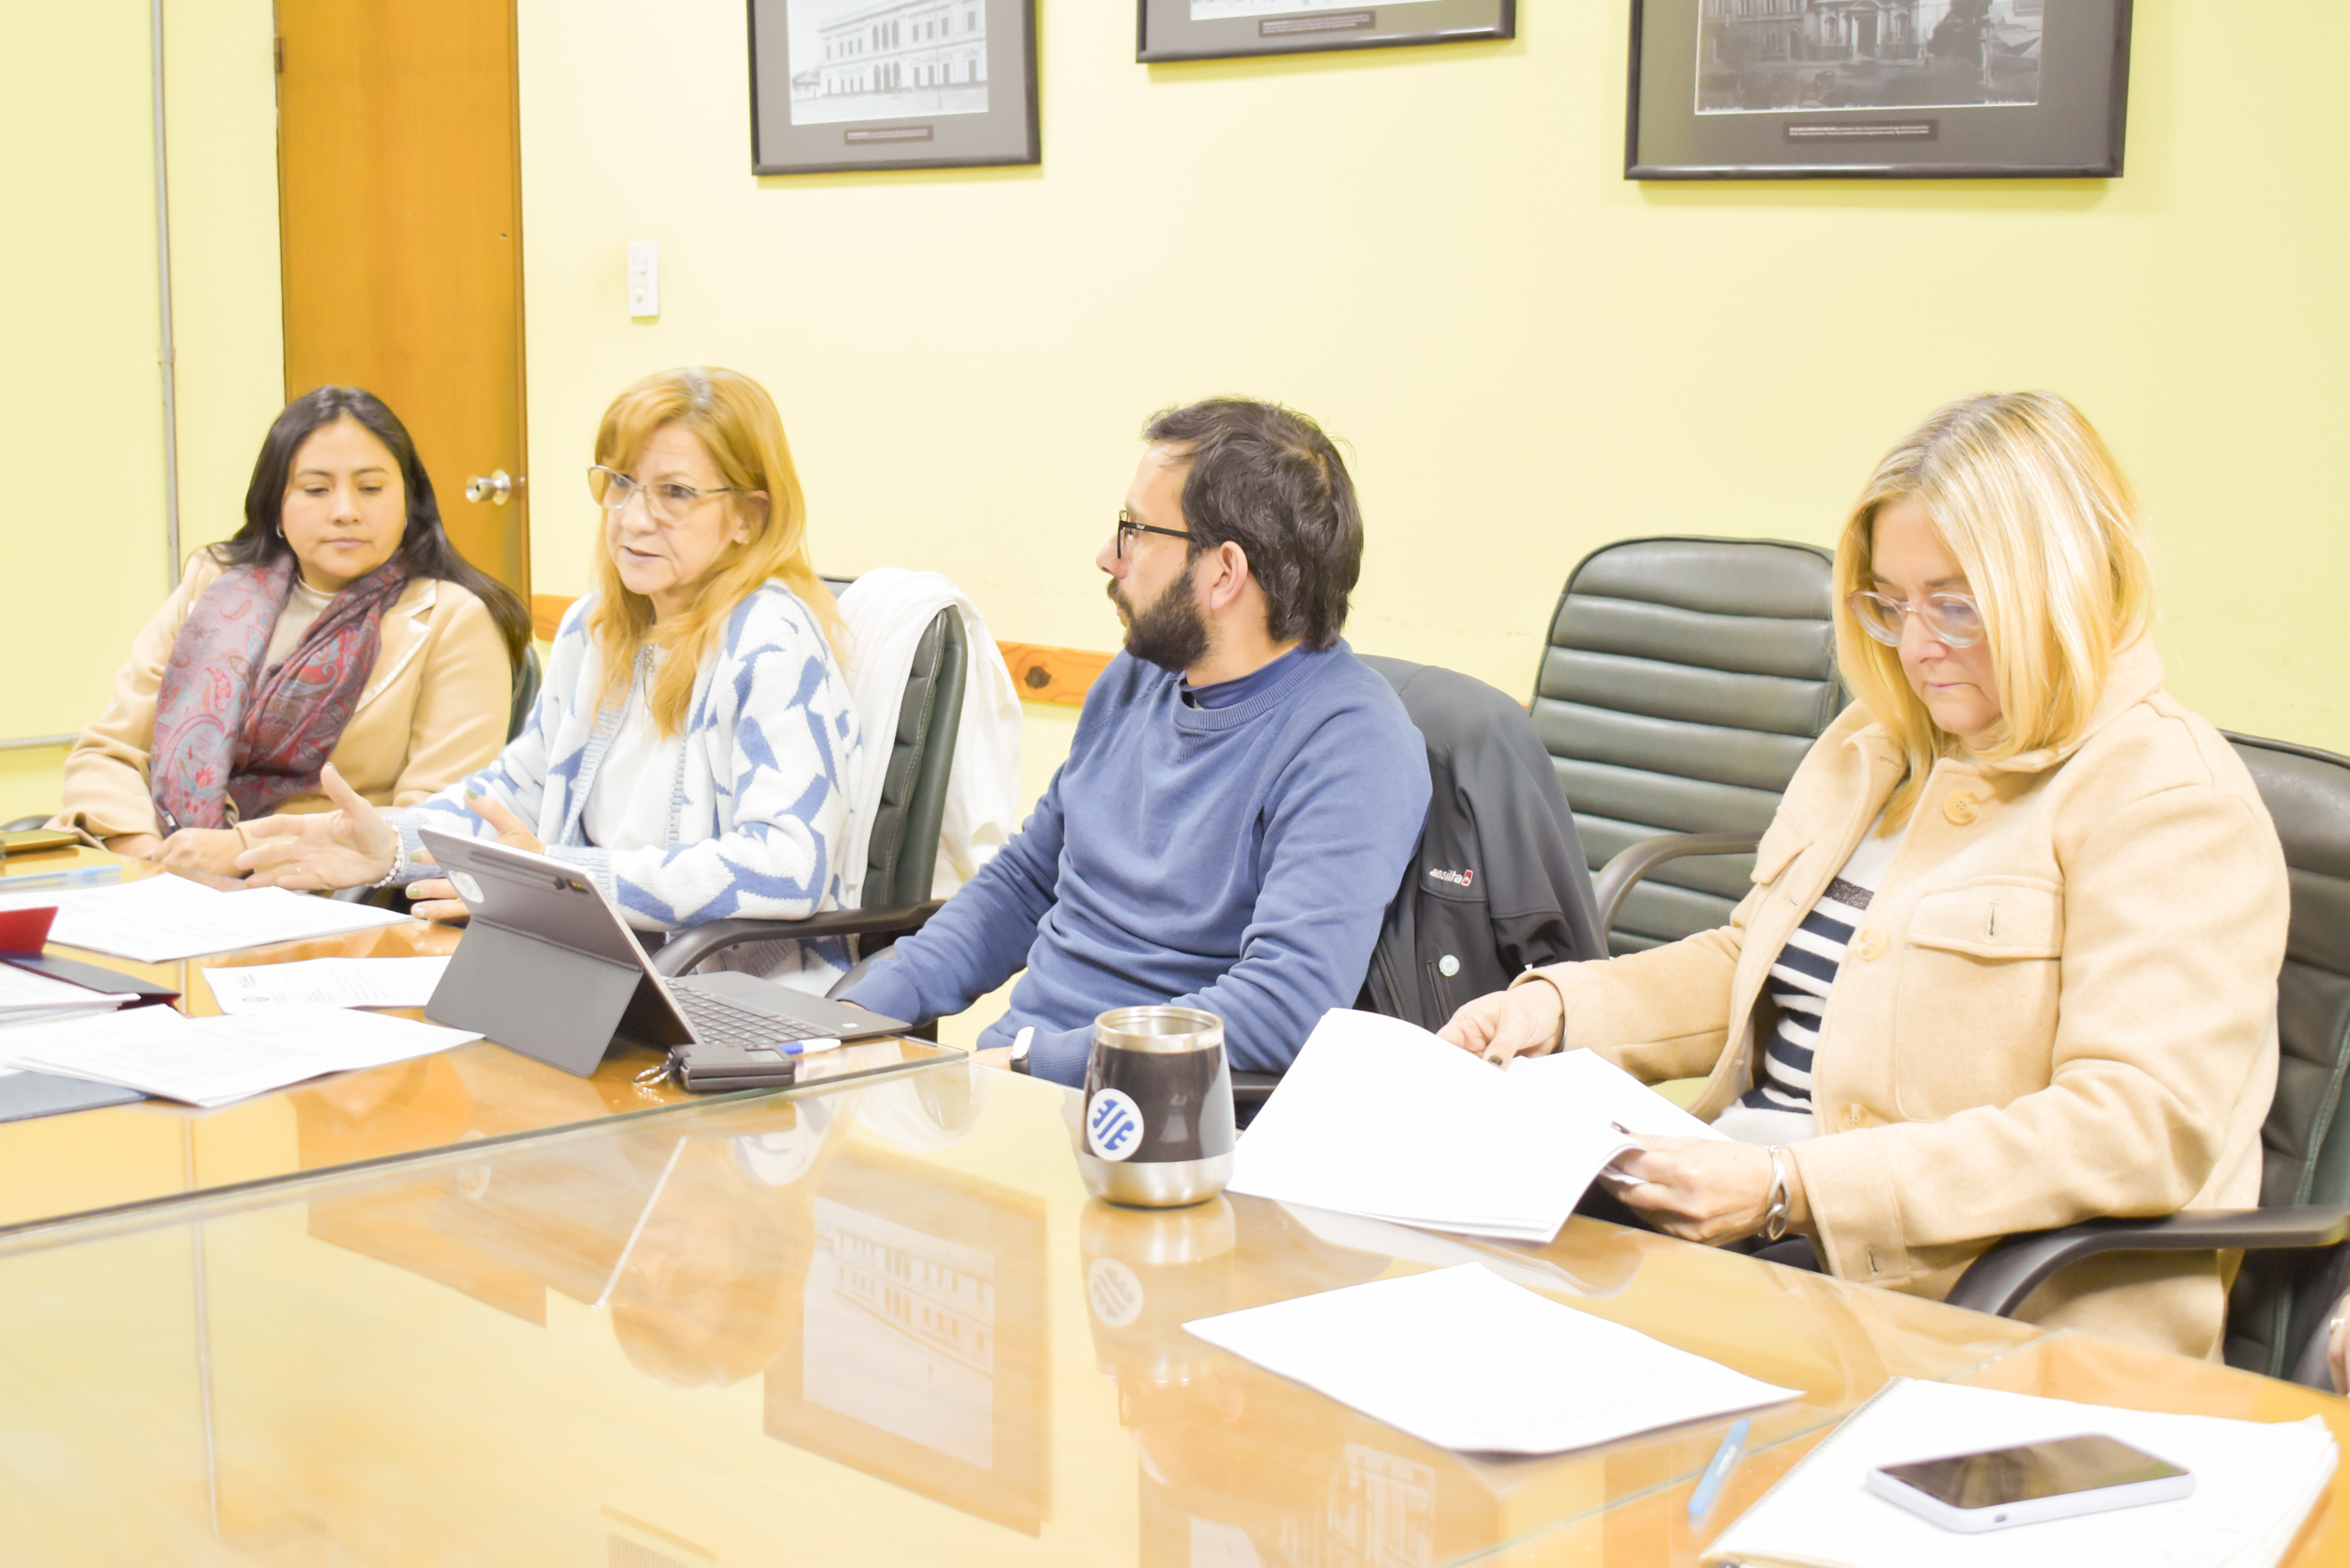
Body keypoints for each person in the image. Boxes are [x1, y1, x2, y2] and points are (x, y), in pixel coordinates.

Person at [1439, 391, 2287, 1359]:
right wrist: (1556, 1010)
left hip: (1969, 1299)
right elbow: (1750, 960)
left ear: (2067, 586)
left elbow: (2134, 1127)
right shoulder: (1876, 748)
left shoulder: (2166, 799)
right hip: (1768, 1240)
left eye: (1957, 605)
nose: (1918, 645)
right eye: (1892, 603)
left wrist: (1793, 1185)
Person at [840, 398, 1431, 1085]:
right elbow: (1026, 884)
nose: (1106, 556)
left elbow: (1281, 1007)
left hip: (1145, 1125)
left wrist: (1036, 1062)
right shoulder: (1138, 679)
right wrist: (854, 1013)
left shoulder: (1354, 746)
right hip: (1013, 1088)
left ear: (1223, 573)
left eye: (1135, 531)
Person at [233, 367, 859, 984]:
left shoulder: (771, 640)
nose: (634, 518)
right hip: (596, 974)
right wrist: (391, 844)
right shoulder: (597, 627)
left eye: (675, 493)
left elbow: (788, 863)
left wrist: (564, 879)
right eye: (621, 483)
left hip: (732, 1000)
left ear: (748, 517)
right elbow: (517, 790)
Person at [54, 386, 528, 876]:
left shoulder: (455, 620)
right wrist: (147, 856)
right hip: (163, 874)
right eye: (316, 489)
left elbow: (437, 823)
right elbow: (111, 753)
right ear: (275, 503)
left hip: (320, 896)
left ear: (409, 499)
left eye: (370, 488)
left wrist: (241, 851)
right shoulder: (214, 586)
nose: (345, 510)